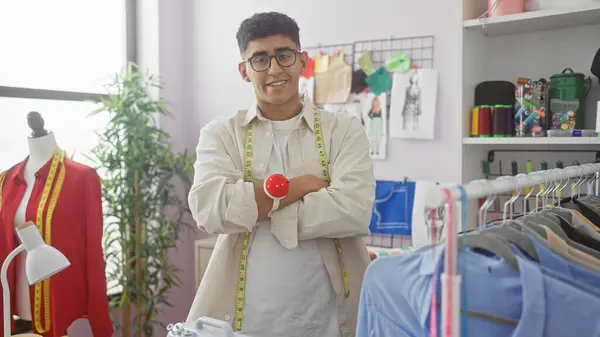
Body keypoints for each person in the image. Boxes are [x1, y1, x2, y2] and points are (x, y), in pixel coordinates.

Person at [186, 12, 375, 337]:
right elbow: (211, 209)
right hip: (246, 319)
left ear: (302, 61)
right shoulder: (221, 134)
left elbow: (354, 211)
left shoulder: (344, 130)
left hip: (331, 317)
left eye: (284, 55)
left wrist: (259, 211)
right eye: (260, 59)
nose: (274, 69)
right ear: (244, 71)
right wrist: (298, 187)